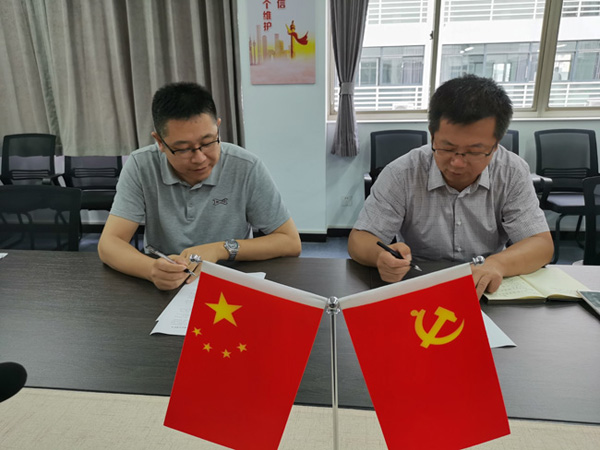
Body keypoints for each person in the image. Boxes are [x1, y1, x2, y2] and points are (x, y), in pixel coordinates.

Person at [348, 75, 554, 299]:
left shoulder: (511, 172)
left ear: (496, 144)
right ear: (432, 134)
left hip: (486, 287)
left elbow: (541, 244)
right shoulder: (402, 173)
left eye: (474, 151)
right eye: (446, 148)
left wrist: (497, 264)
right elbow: (360, 239)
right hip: (419, 284)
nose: (457, 162)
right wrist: (380, 256)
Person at [98, 82, 301, 290]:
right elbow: (109, 243)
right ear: (159, 142)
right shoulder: (141, 166)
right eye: (183, 149)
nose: (200, 158)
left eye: (208, 142)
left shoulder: (245, 167)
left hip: (231, 280)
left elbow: (290, 241)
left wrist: (221, 249)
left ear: (218, 127)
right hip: (168, 285)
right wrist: (151, 269)